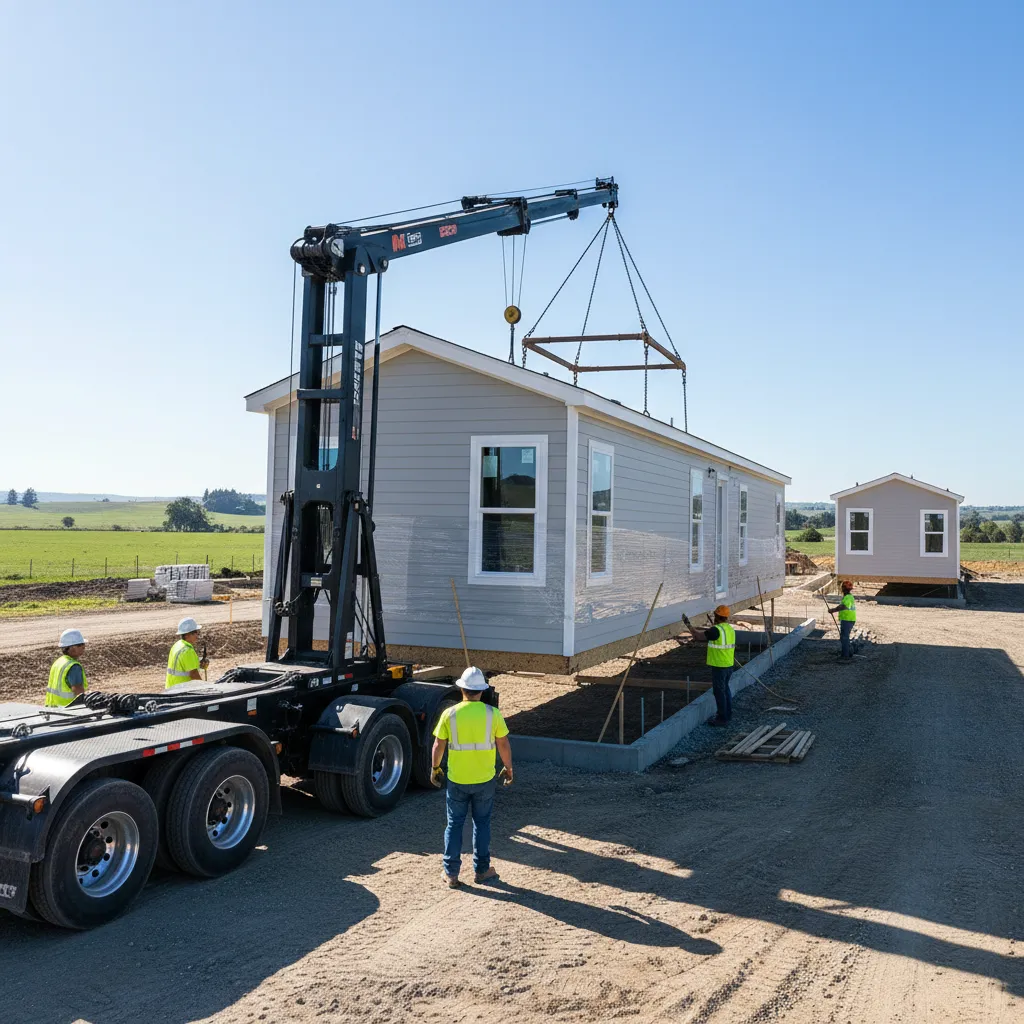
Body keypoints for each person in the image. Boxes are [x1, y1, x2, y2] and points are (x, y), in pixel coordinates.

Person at [430, 666, 513, 889]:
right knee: (482, 824)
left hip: (457, 780)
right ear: (482, 691)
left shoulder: (450, 714)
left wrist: (435, 768)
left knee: (454, 825)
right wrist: (508, 768)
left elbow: (438, 745)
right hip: (484, 780)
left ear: (462, 689)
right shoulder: (492, 714)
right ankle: (482, 870)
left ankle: (451, 873)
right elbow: (503, 744)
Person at [682, 605, 736, 727]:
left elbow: (697, 636)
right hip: (728, 665)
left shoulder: (716, 630)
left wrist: (688, 624)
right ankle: (727, 714)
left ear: (716, 616)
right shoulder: (729, 629)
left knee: (719, 692)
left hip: (719, 666)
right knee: (725, 690)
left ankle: (722, 719)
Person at [45, 628, 89, 707]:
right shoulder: (73, 666)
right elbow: (78, 692)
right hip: (69, 710)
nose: (83, 646)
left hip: (52, 708)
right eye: (80, 644)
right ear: (71, 648)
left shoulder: (58, 662)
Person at [166, 617, 209, 688]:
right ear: (187, 634)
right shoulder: (187, 651)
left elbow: (182, 664)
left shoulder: (177, 645)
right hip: (182, 689)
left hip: (171, 688)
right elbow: (194, 674)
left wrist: (198, 663)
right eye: (195, 632)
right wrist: (204, 688)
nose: (197, 635)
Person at [832, 581, 856, 661]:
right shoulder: (847, 597)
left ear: (844, 589)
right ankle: (847, 653)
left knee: (845, 638)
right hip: (846, 619)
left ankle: (846, 656)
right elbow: (842, 605)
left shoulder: (848, 597)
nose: (842, 589)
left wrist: (833, 610)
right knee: (843, 637)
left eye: (842, 587)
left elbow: (844, 606)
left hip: (848, 620)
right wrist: (835, 609)